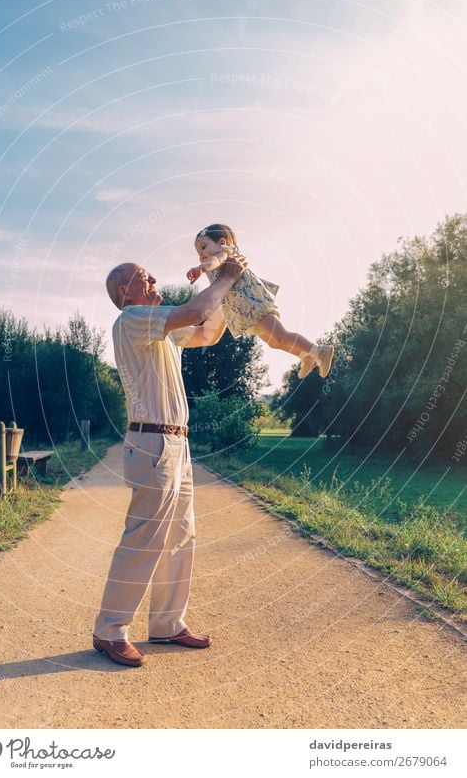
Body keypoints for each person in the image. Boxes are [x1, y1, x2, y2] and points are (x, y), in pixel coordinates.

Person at [93, 252, 247, 667]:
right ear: (126, 291)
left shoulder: (161, 330)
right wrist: (225, 275)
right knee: (144, 539)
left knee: (181, 537)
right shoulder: (133, 319)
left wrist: (226, 282)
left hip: (175, 444)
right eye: (144, 276)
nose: (155, 278)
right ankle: (110, 630)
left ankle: (166, 624)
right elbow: (196, 309)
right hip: (152, 444)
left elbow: (207, 329)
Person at [187, 224, 334, 379]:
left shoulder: (225, 253)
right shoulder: (216, 263)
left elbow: (215, 261)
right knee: (274, 342)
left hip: (256, 307)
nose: (201, 254)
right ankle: (305, 355)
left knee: (280, 336)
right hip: (245, 314)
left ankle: (319, 350)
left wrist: (200, 268)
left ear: (222, 242)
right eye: (198, 252)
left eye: (203, 247)